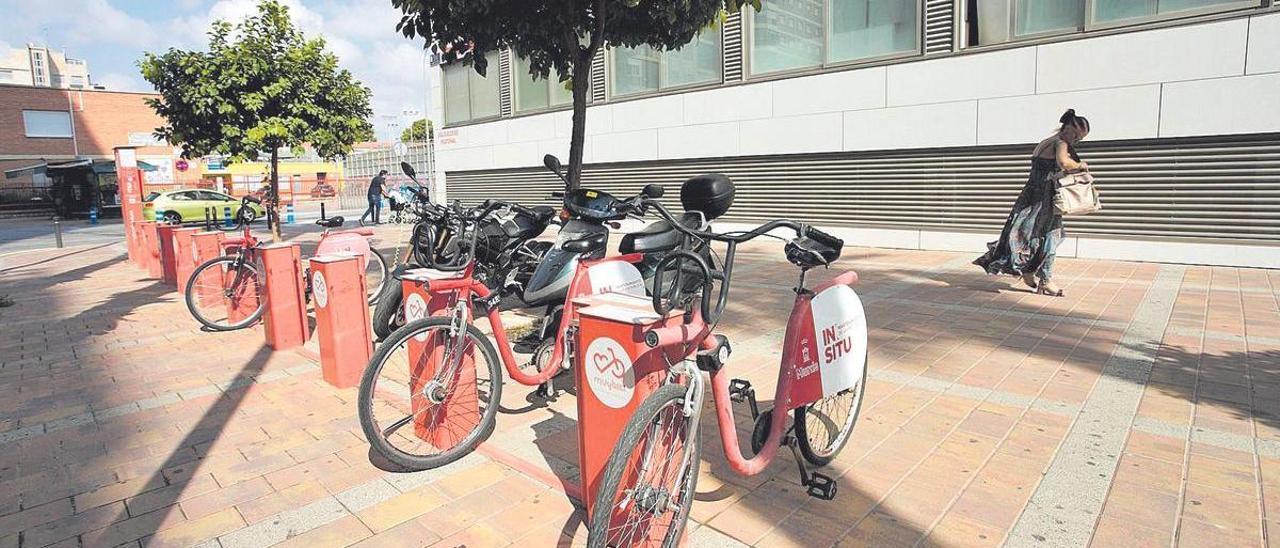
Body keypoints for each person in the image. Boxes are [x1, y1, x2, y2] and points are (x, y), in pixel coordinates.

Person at [974, 109, 1090, 297]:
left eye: (1080, 139)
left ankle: (1029, 272)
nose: (1076, 141)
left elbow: (1045, 170)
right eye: (1076, 136)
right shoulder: (1060, 143)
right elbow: (1064, 163)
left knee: (1027, 236)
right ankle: (1045, 280)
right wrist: (1079, 165)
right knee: (1051, 237)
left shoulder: (1046, 142)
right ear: (1067, 128)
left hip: (1031, 196)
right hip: (1043, 200)